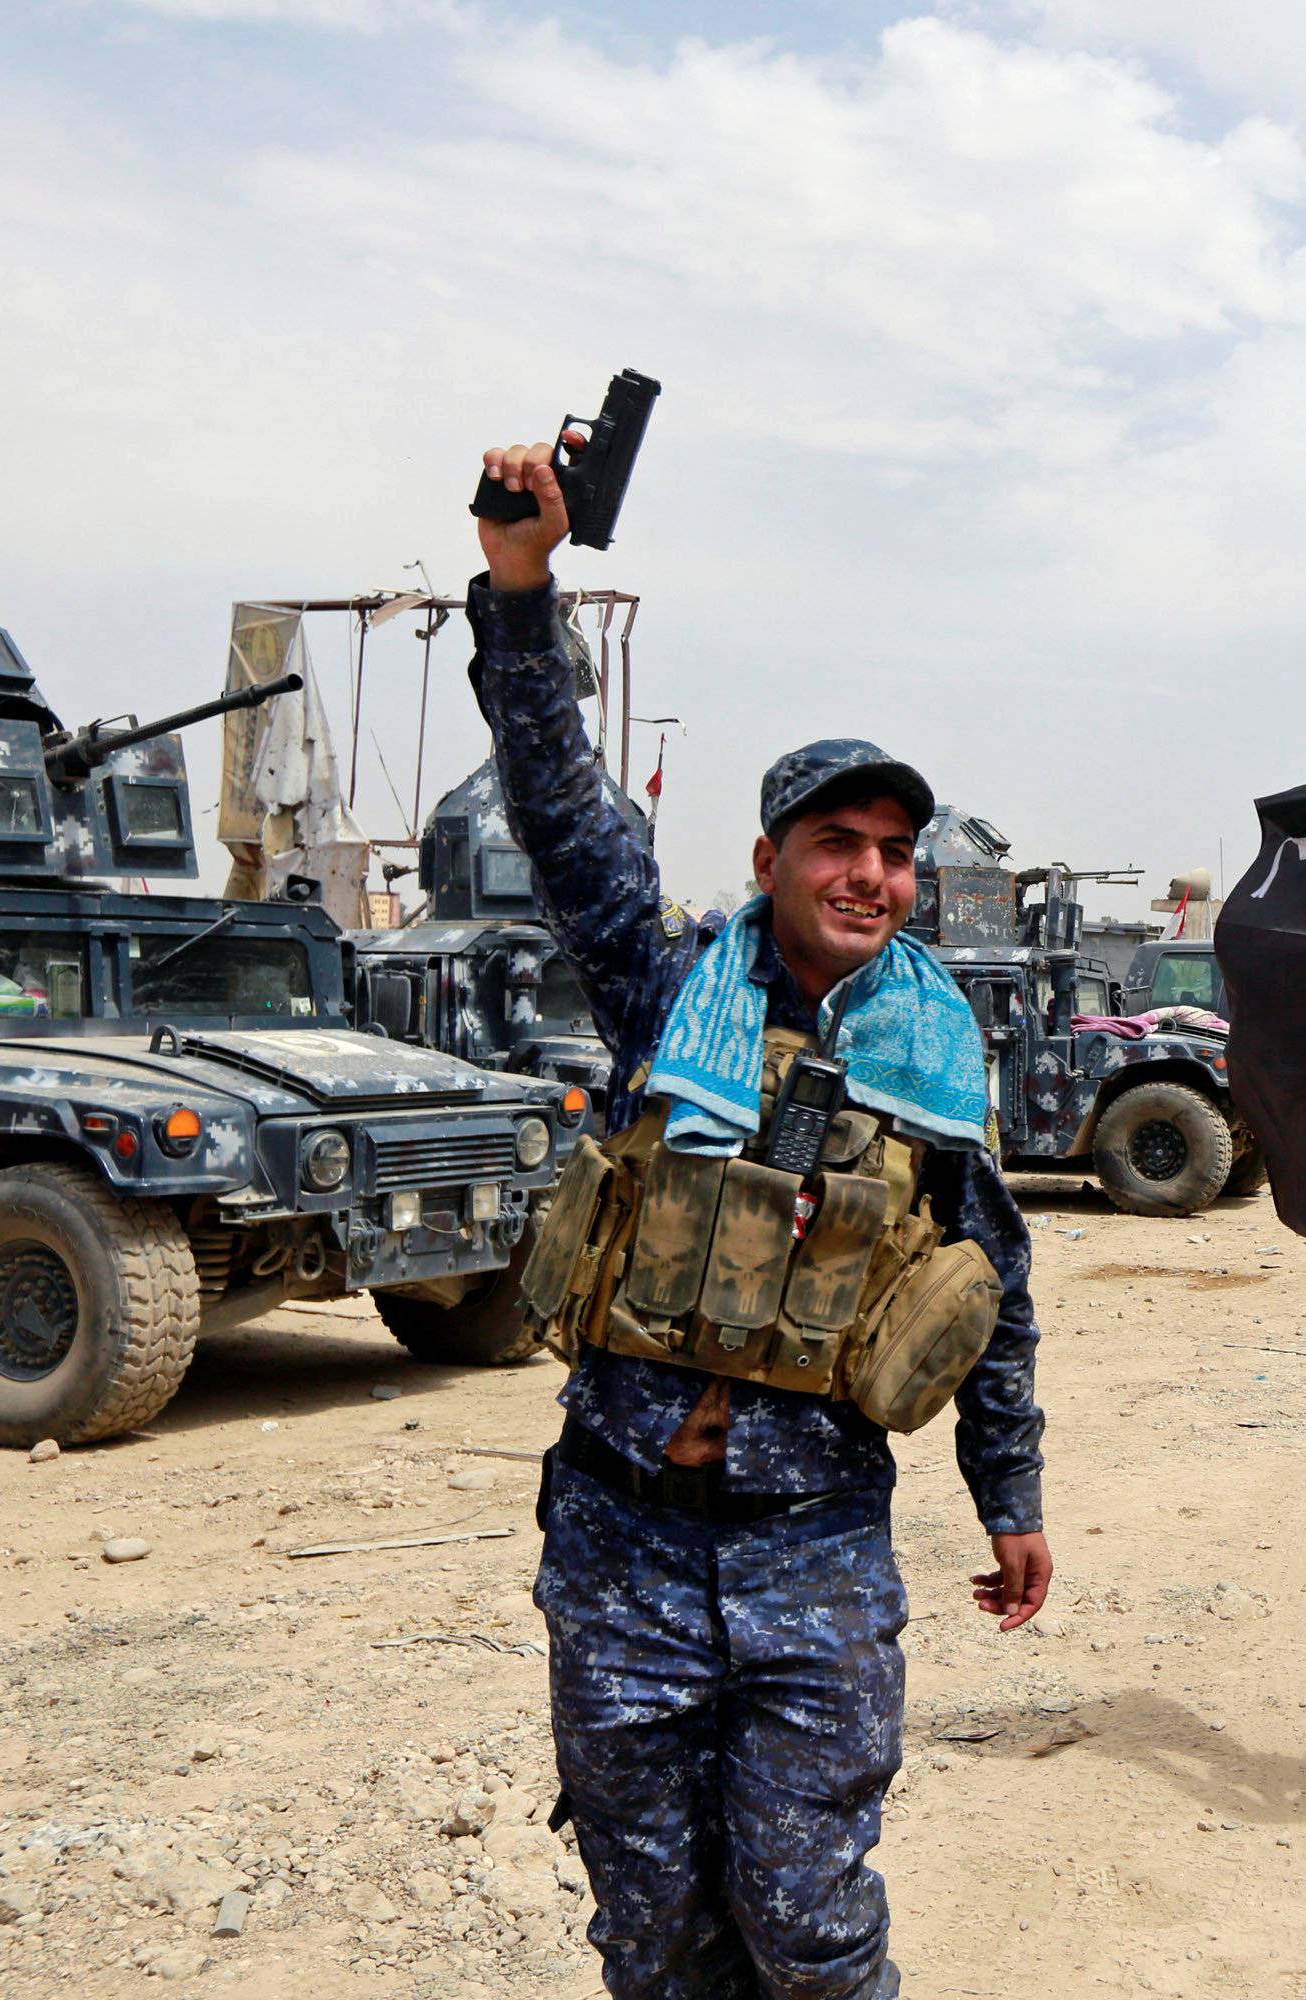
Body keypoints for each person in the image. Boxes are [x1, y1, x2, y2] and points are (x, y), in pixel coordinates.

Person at [464, 436, 1052, 1997]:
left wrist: (1012, 1491)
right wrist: (524, 591)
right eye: (837, 844)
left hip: (813, 1551)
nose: (870, 874)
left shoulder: (932, 1058)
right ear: (770, 861)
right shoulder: (669, 993)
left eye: (893, 851)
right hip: (623, 1539)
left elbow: (992, 1287)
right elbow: (563, 808)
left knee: (809, 1925)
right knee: (653, 1932)